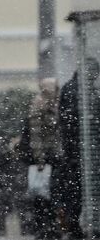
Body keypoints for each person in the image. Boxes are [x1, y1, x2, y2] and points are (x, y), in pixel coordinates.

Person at [58, 58, 100, 240]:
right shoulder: (82, 90)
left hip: (74, 150)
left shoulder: (69, 87)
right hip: (83, 149)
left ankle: (74, 226)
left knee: (74, 189)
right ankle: (78, 226)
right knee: (82, 189)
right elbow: (82, 120)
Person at [21, 78, 62, 240]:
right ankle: (45, 229)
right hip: (45, 159)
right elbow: (36, 137)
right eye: (54, 88)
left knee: (49, 194)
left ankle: (50, 227)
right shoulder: (39, 106)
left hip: (52, 158)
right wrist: (40, 160)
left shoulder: (52, 104)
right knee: (42, 195)